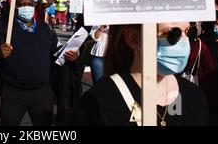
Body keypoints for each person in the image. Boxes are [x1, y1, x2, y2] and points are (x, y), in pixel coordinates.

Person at [70, 22, 209, 126]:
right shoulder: (99, 102)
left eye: (187, 32)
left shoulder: (195, 97)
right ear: (134, 39)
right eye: (171, 34)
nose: (183, 42)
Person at [0, 0, 74, 126]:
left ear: (34, 5)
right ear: (16, 7)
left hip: (42, 93)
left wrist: (71, 55)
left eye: (29, 4)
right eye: (22, 5)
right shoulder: (4, 29)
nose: (26, 7)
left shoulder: (46, 29)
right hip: (13, 93)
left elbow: (59, 52)